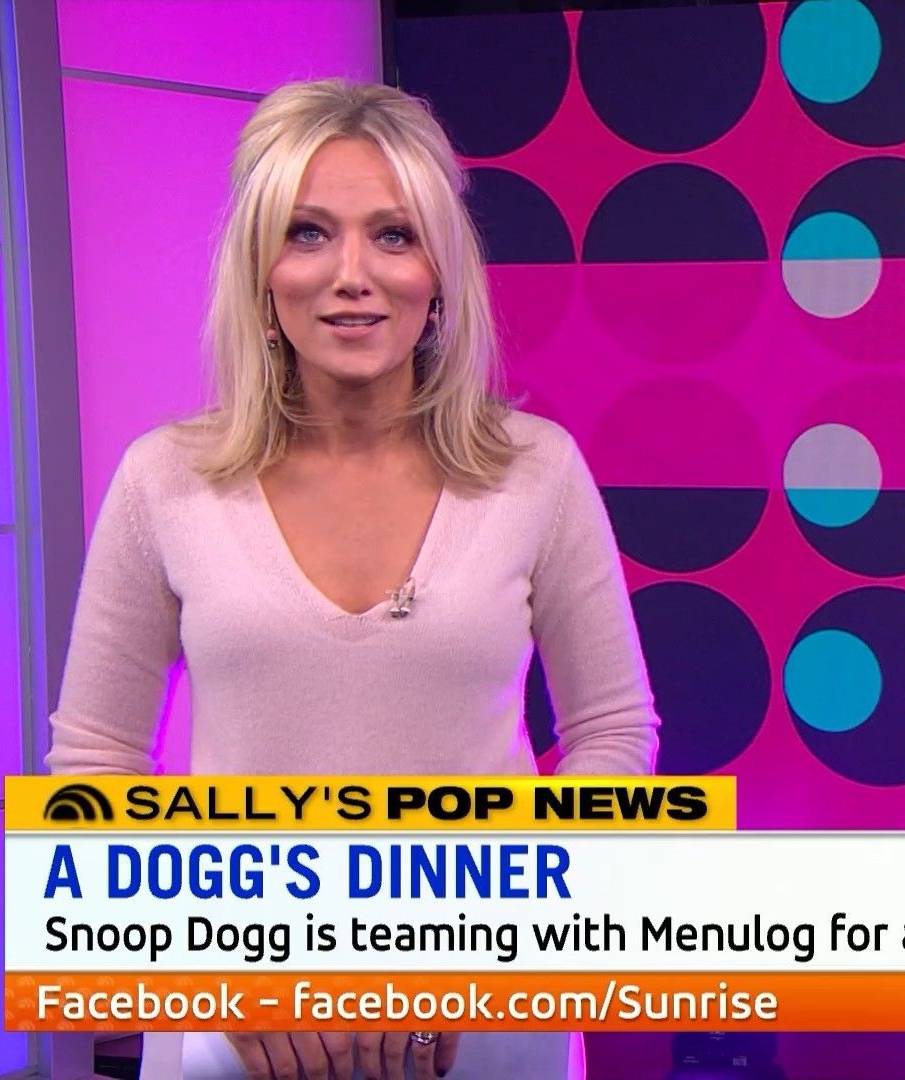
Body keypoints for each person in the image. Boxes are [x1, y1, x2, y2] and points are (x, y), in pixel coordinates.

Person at [46, 79, 659, 1080]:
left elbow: (612, 737)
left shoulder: (537, 471)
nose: (352, 277)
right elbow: (94, 765)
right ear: (261, 269)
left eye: (393, 235)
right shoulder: (164, 480)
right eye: (308, 233)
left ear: (438, 271)